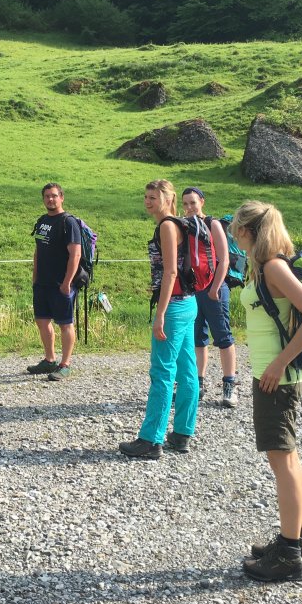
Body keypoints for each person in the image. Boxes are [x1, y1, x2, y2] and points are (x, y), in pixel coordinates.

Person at [229, 201, 302, 582]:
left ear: (248, 231)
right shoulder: (267, 267)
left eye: (238, 232)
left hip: (276, 379)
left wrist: (279, 363)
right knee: (289, 461)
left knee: (283, 463)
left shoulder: (273, 267)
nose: (236, 239)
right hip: (274, 376)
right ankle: (293, 542)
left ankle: (288, 555)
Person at [119, 180, 199, 460]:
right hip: (189, 303)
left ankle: (151, 440)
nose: (148, 201)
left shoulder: (167, 226)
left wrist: (161, 314)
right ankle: (182, 433)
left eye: (153, 197)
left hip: (174, 307)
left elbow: (171, 272)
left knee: (163, 373)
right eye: (146, 196)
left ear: (168, 198)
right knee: (187, 371)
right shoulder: (181, 224)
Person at [182, 187, 239, 408]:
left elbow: (224, 260)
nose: (189, 207)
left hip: (215, 288)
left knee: (223, 335)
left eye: (193, 203)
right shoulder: (185, 225)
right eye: (185, 203)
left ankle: (229, 385)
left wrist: (215, 288)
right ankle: (198, 384)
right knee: (197, 337)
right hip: (194, 289)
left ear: (202, 202)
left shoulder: (213, 224)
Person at [28, 183, 81, 381]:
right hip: (42, 282)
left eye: (54, 196)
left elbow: (75, 254)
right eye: (47, 196)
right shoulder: (42, 221)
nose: (50, 199)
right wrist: (35, 276)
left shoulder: (69, 222)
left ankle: (65, 364)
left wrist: (67, 282)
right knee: (42, 321)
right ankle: (49, 360)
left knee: (65, 323)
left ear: (61, 198)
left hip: (62, 283)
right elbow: (38, 251)